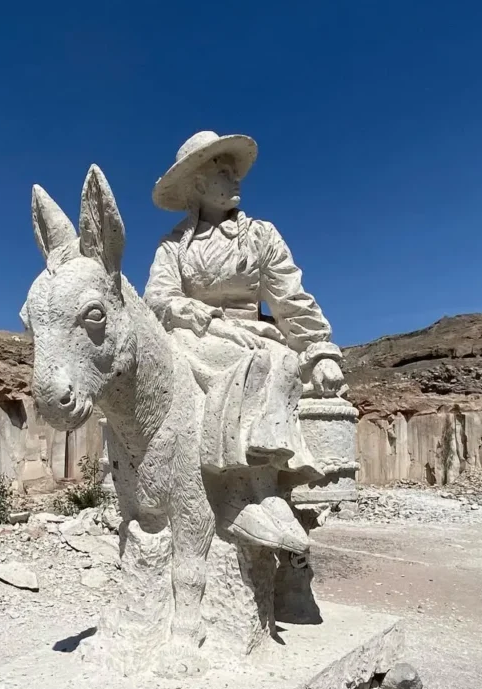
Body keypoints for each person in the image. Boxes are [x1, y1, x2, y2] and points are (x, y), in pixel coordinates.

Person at [144, 130, 346, 554]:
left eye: (236, 171)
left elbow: (290, 298)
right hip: (192, 334)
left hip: (251, 333)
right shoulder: (172, 247)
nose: (236, 180)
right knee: (230, 365)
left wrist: (320, 351)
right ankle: (236, 492)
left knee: (279, 362)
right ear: (197, 183)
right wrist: (186, 309)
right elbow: (156, 298)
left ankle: (263, 488)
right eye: (223, 171)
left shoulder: (260, 236)